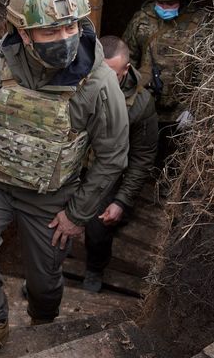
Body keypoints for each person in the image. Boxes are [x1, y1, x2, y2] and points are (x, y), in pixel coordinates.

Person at [0, 0, 129, 356]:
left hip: (51, 198)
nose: (64, 39)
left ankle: (43, 323)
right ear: (24, 34)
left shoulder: (99, 82)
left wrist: (77, 214)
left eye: (71, 26)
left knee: (44, 282)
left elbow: (112, 157)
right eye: (49, 32)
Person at [82, 36, 159, 293]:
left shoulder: (141, 104)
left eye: (111, 74)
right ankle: (44, 277)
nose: (102, 78)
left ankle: (94, 267)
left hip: (109, 173)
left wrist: (122, 201)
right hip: (75, 163)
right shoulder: (77, 80)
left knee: (98, 223)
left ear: (126, 70)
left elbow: (142, 158)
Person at [123, 0, 207, 127]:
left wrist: (195, 107)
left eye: (170, 3)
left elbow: (206, 71)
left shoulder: (201, 24)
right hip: (144, 105)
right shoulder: (142, 20)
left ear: (183, 1)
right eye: (159, 3)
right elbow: (126, 60)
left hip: (181, 110)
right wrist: (126, 98)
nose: (163, 7)